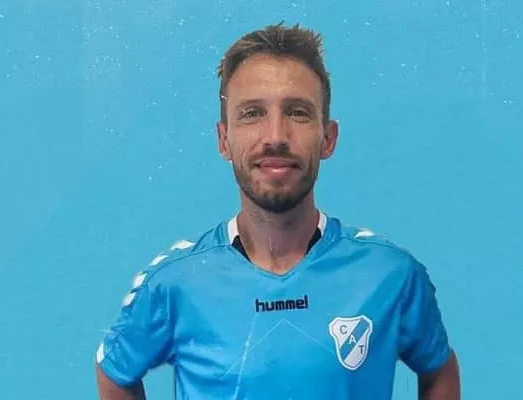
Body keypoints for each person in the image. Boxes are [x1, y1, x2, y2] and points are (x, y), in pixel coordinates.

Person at [95, 22, 461, 400]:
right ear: (224, 139)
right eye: (252, 113)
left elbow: (439, 371)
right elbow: (115, 373)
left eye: (297, 113)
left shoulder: (390, 273)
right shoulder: (174, 282)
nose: (275, 136)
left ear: (328, 138)